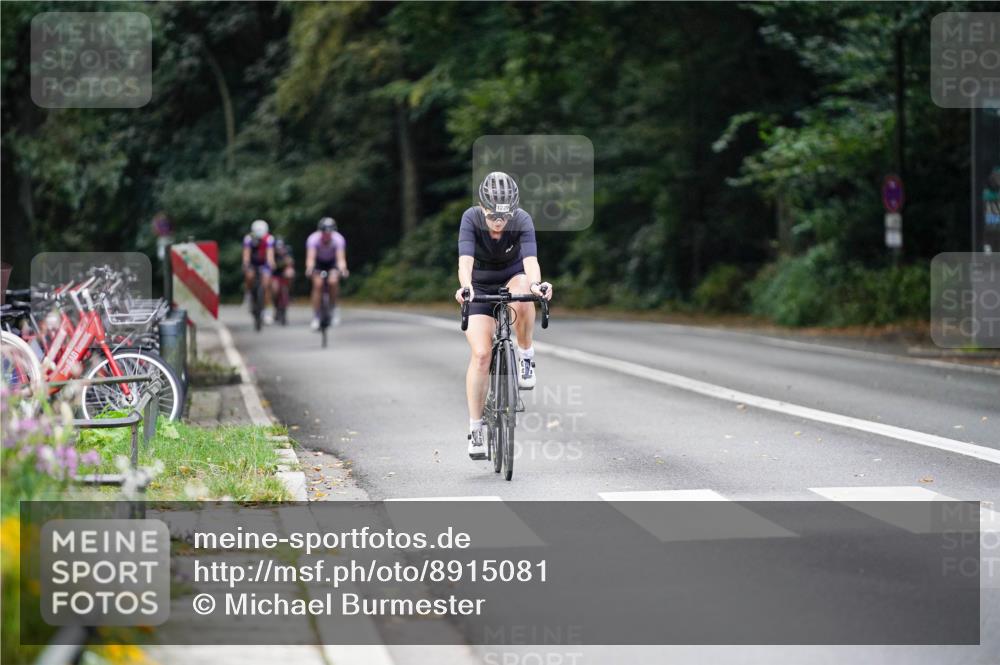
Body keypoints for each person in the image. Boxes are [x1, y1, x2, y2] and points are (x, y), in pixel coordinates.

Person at [454, 172, 552, 460]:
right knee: (482, 355)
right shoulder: (470, 219)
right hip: (480, 287)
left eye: (504, 217)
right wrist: (466, 288)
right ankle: (475, 429)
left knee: (524, 288)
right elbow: (465, 262)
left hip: (512, 281)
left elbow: (531, 262)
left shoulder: (521, 220)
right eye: (492, 217)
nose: (498, 224)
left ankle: (525, 354)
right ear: (482, 207)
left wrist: (537, 285)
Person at [304, 217, 349, 330]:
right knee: (317, 284)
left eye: (329, 232)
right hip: (318, 262)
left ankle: (334, 307)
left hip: (332, 262)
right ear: (320, 232)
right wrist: (309, 268)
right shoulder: (313, 239)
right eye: (324, 232)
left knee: (333, 281)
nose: (327, 235)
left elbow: (340, 259)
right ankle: (316, 316)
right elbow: (310, 258)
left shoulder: (338, 239)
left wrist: (343, 269)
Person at [242, 219, 276, 324]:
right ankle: (248, 293)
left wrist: (271, 264)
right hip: (253, 263)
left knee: (266, 285)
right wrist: (246, 264)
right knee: (249, 276)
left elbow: (270, 254)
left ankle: (266, 311)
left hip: (264, 263)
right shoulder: (248, 239)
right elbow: (246, 254)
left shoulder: (269, 239)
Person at [271, 237, 295, 323]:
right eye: (277, 248)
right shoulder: (271, 253)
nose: (279, 250)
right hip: (275, 274)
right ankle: (275, 305)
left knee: (290, 273)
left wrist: (286, 259)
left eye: (281, 247)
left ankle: (289, 291)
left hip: (284, 273)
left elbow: (291, 263)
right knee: (275, 289)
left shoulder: (287, 251)